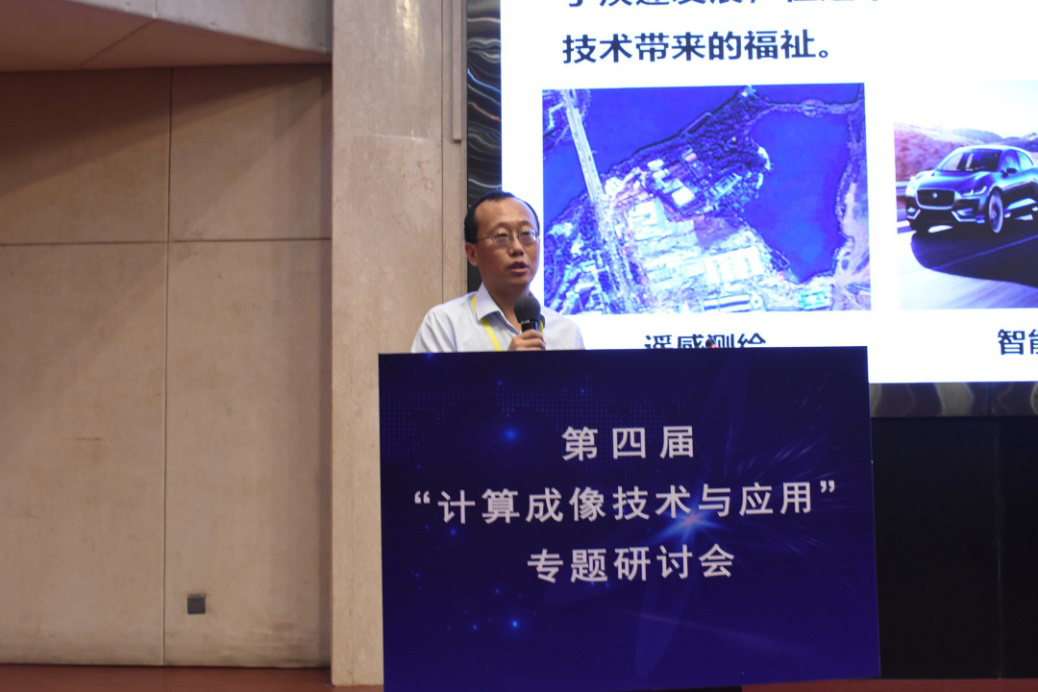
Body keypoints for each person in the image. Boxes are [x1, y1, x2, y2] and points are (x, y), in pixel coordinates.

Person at [412, 190, 584, 353]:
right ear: (472, 254)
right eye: (501, 236)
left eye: (526, 234)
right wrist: (505, 368)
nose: (517, 248)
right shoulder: (444, 325)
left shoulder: (567, 333)